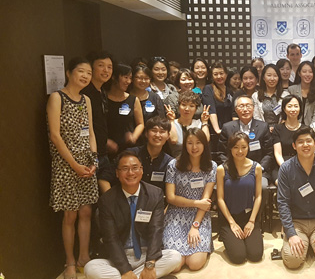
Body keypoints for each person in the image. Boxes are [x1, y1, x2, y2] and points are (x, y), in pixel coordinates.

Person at [84, 151, 182, 279]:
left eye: (135, 168)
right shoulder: (107, 200)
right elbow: (111, 238)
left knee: (174, 256)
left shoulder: (155, 194)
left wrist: (150, 264)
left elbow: (156, 230)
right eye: (125, 169)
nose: (130, 173)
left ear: (141, 170)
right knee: (90, 268)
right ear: (117, 173)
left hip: (146, 255)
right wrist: (125, 270)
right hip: (119, 257)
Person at [47, 57, 99, 279]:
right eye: (81, 71)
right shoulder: (56, 97)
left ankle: (83, 257)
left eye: (88, 72)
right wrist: (74, 165)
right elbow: (55, 136)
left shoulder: (86, 99)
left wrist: (94, 161)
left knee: (86, 212)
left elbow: (91, 132)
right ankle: (69, 261)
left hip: (87, 164)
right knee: (70, 215)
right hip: (67, 165)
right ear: (69, 73)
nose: (85, 76)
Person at [277, 127, 315, 269]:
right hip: (297, 222)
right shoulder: (285, 168)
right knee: (293, 261)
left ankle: (311, 243)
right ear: (294, 146)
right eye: (300, 142)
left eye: (309, 141)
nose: (305, 145)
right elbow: (283, 203)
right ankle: (301, 242)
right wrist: (291, 234)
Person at [163, 128, 217, 271]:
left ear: (204, 144)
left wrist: (195, 225)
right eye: (190, 143)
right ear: (184, 145)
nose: (194, 147)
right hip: (176, 213)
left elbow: (205, 202)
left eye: (198, 143)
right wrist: (195, 202)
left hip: (199, 214)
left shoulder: (212, 167)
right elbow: (170, 197)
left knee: (195, 264)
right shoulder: (173, 165)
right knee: (175, 264)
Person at [216, 132, 264, 264]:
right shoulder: (222, 169)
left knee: (255, 255)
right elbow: (220, 198)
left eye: (244, 147)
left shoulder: (256, 167)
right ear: (230, 148)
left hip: (249, 216)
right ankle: (230, 236)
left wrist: (252, 221)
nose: (240, 151)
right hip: (229, 218)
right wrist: (232, 223)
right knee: (238, 257)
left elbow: (259, 196)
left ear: (249, 147)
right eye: (236, 147)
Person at [217, 95, 273, 184]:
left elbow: (269, 153)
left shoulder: (263, 126)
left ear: (253, 108)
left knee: (263, 186)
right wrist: (231, 168)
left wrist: (259, 168)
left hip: (258, 170)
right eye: (241, 106)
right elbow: (222, 153)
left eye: (248, 105)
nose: (245, 109)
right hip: (233, 170)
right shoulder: (227, 127)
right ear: (236, 109)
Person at [81, 51, 113, 190]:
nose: (106, 70)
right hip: (89, 153)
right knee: (88, 197)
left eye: (109, 67)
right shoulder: (84, 93)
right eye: (101, 65)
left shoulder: (102, 92)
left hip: (102, 151)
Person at [106, 63, 144, 157]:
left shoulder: (133, 100)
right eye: (125, 77)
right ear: (114, 77)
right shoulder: (103, 98)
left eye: (130, 78)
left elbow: (140, 124)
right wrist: (105, 141)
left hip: (129, 149)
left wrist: (134, 137)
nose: (128, 81)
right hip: (108, 150)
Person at [165, 90, 210, 158]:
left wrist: (205, 122)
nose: (187, 109)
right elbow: (173, 140)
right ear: (178, 106)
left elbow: (205, 140)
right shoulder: (172, 123)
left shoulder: (198, 123)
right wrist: (171, 121)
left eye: (191, 106)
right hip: (177, 161)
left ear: (196, 109)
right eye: (183, 105)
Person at [272, 95, 305, 183]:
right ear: (284, 109)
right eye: (289, 106)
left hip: (301, 165)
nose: (293, 109)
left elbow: (307, 152)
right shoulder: (278, 129)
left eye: (296, 106)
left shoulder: (306, 129)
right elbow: (278, 153)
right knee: (282, 184)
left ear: (300, 109)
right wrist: (286, 168)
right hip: (281, 166)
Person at [288, 61, 315, 126]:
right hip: (294, 126)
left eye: (310, 72)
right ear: (299, 73)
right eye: (304, 72)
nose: (307, 74)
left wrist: (311, 130)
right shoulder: (291, 90)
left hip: (313, 127)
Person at [252, 63, 289, 129]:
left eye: (275, 76)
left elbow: (287, 116)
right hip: (262, 130)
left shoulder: (285, 95)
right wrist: (266, 129)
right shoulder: (256, 96)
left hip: (281, 130)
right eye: (269, 75)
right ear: (263, 77)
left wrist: (278, 128)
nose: (272, 79)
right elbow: (256, 116)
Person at [203, 61, 233, 139]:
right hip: (215, 132)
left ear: (226, 74)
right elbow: (211, 110)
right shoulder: (208, 89)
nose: (219, 76)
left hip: (228, 131)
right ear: (212, 76)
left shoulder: (229, 91)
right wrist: (217, 130)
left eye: (221, 73)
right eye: (215, 74)